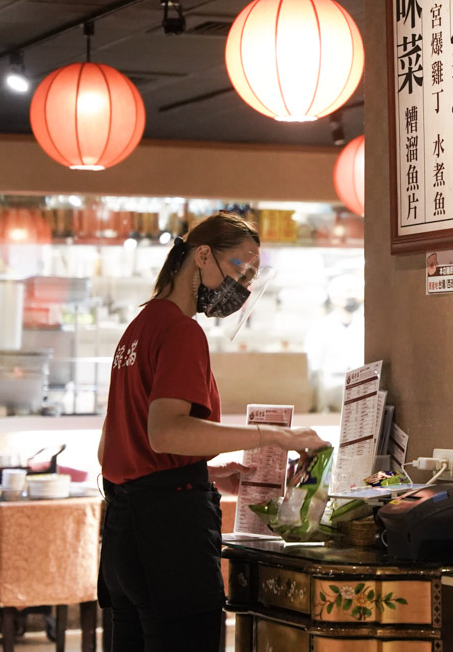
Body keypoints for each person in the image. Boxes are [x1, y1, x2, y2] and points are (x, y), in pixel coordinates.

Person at [97, 212, 329, 651]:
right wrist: (276, 436)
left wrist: (204, 475)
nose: (242, 287)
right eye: (241, 269)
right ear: (202, 256)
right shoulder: (182, 330)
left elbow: (111, 448)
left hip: (124, 538)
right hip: (169, 540)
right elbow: (166, 433)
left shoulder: (138, 328)